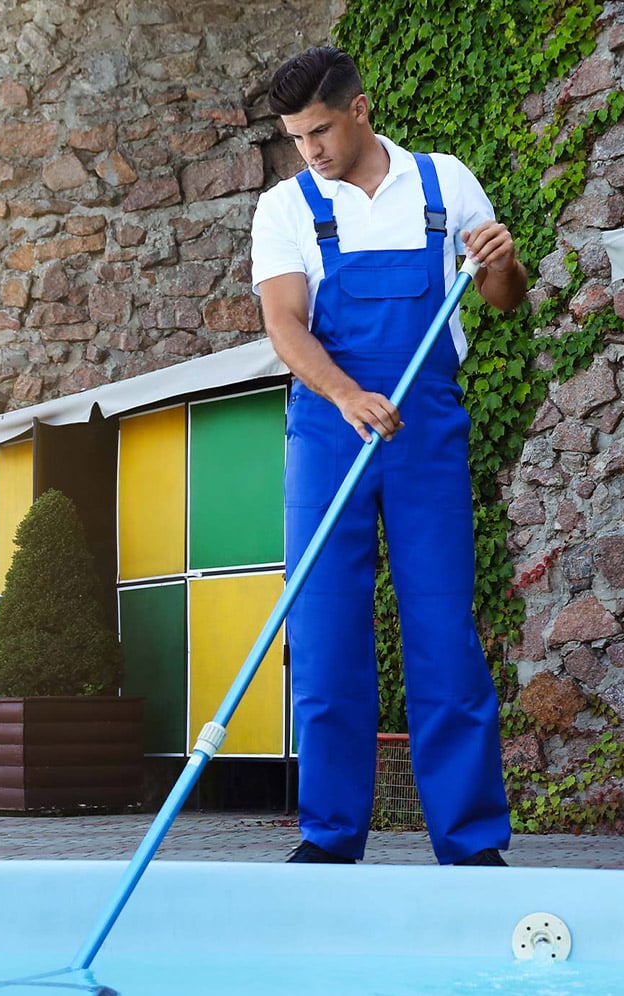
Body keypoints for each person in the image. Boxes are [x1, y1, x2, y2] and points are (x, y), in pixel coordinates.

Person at [250, 47, 529, 866]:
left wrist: (503, 263)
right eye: (297, 138)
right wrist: (344, 395)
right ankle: (330, 838)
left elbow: (503, 299)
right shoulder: (285, 208)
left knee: (443, 628)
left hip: (425, 429)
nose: (310, 151)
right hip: (329, 430)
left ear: (361, 109)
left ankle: (471, 842)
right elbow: (284, 324)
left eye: (320, 131)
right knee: (326, 629)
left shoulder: (443, 182)